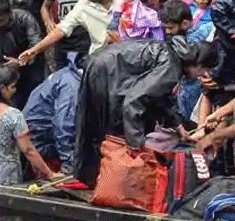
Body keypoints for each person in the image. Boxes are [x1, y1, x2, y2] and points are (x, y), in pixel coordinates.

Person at [74, 38, 218, 186]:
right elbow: (134, 101)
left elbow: (156, 97)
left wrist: (178, 126)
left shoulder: (175, 55)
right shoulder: (171, 66)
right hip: (108, 72)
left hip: (106, 65)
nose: (201, 76)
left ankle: (96, 178)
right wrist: (136, 148)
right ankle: (106, 181)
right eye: (203, 71)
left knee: (97, 128)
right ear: (198, 64)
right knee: (107, 132)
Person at [20, 0, 118, 65]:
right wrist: (35, 50)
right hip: (99, 60)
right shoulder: (83, 6)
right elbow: (61, 29)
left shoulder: (125, 0)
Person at [23, 53, 83, 175]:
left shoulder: (68, 72)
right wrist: (69, 165)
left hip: (37, 132)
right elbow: (63, 126)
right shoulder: (72, 86)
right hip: (40, 139)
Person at [0, 0, 43, 106]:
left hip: (28, 70)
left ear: (10, 13)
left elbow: (37, 45)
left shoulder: (24, 19)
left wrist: (21, 62)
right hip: (0, 72)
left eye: (1, 20)